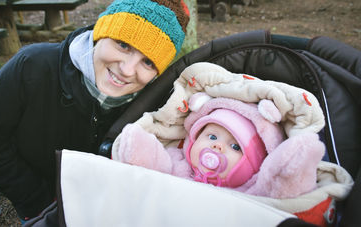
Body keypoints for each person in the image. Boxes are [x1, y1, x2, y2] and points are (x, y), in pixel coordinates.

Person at [0, 0, 190, 222]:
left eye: (148, 62)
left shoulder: (154, 105)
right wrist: (36, 199)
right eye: (123, 45)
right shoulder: (33, 66)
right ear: (102, 32)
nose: (127, 70)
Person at [112, 62, 354, 226]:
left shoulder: (255, 184)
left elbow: (280, 194)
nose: (218, 147)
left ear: (259, 162)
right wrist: (140, 150)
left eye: (235, 146)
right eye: (212, 137)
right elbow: (157, 166)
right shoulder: (181, 162)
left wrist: (288, 170)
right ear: (193, 139)